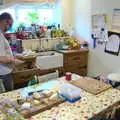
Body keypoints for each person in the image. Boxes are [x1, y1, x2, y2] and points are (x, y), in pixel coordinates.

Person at [0, 12, 24, 92]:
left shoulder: (1, 34)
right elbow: (1, 58)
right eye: (9, 24)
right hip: (3, 74)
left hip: (4, 72)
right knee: (7, 97)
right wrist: (14, 61)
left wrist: (14, 56)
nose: (9, 28)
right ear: (4, 21)